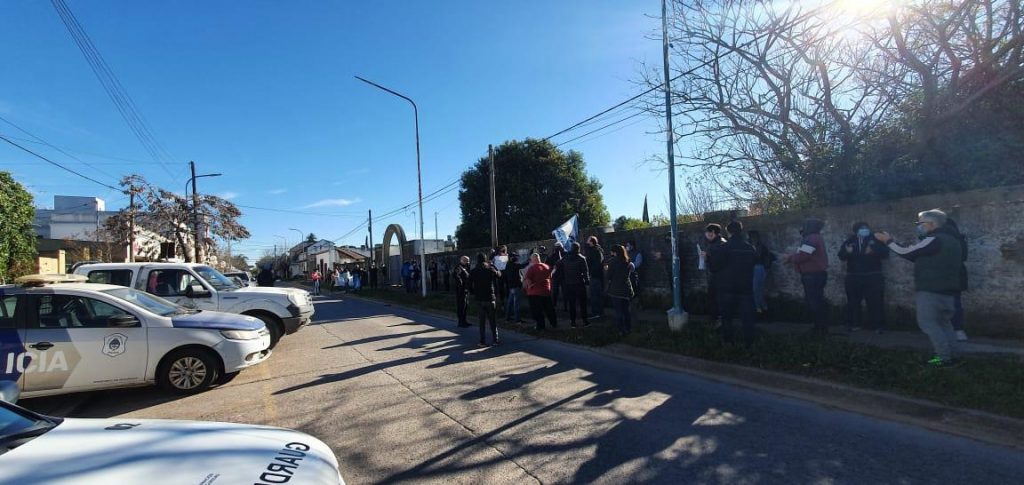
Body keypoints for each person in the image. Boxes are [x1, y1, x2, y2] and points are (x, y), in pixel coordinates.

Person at [875, 209, 963, 366]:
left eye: (920, 223)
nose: (918, 226)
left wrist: (888, 241)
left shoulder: (933, 239)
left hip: (931, 289)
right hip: (949, 289)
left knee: (928, 323)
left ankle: (942, 358)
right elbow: (923, 258)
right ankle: (954, 355)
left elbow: (906, 252)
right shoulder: (954, 240)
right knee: (944, 323)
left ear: (932, 224)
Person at [708, 221, 758, 345]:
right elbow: (755, 263)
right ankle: (749, 343)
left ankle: (728, 342)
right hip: (745, 287)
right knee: (747, 318)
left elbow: (713, 268)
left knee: (726, 317)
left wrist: (708, 259)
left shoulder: (723, 248)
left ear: (728, 232)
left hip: (726, 288)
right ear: (741, 231)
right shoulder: (750, 248)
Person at [837, 221, 890, 333]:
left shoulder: (875, 239)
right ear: (856, 231)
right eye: (862, 228)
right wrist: (848, 253)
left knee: (876, 302)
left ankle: (878, 326)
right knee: (853, 302)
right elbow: (841, 256)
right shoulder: (850, 241)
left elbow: (886, 253)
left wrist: (874, 251)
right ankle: (855, 324)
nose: (865, 230)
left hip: (873, 276)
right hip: (853, 276)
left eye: (866, 227)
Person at [785, 218, 829, 337]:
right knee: (816, 301)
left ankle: (820, 329)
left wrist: (790, 258)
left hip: (813, 276)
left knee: (814, 302)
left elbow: (803, 256)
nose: (802, 228)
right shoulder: (814, 237)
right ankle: (820, 327)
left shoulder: (811, 238)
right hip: (815, 275)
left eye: (804, 226)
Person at [555, 242, 590, 327]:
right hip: (579, 283)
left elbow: (558, 265)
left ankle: (573, 322)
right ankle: (585, 321)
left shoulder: (565, 258)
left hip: (568, 284)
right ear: (578, 248)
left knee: (572, 304)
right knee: (582, 303)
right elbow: (585, 272)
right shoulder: (582, 258)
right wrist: (587, 281)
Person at [469, 253, 501, 346]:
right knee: (492, 321)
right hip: (490, 297)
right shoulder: (489, 269)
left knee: (481, 322)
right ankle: (495, 340)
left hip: (479, 298)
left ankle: (482, 341)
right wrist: (493, 266)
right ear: (485, 259)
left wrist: (473, 292)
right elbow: (499, 275)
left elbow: (469, 284)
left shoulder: (473, 271)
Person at [604, 244, 635, 336]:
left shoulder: (612, 262)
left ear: (614, 252)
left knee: (618, 312)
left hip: (616, 290)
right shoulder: (627, 261)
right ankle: (628, 329)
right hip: (626, 289)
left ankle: (621, 330)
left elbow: (608, 277)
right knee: (626, 311)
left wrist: (607, 270)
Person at [700, 224, 727, 325]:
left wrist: (707, 257)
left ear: (712, 232)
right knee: (714, 298)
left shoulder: (720, 243)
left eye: (707, 232)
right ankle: (716, 319)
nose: (706, 234)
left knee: (717, 298)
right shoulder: (716, 242)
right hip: (716, 275)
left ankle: (718, 320)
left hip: (719, 276)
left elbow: (720, 261)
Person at [947, 219, 969, 341]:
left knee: (951, 302)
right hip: (958, 273)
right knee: (955, 302)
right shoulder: (960, 239)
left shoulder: (945, 240)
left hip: (949, 274)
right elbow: (964, 256)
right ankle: (958, 330)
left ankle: (955, 329)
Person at [523, 253, 557, 330]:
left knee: (537, 310)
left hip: (535, 293)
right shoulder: (546, 266)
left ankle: (540, 326)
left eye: (531, 259)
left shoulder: (532, 268)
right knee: (549, 309)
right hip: (546, 291)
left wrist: (529, 286)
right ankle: (554, 323)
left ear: (533, 259)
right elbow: (550, 276)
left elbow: (528, 279)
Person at [748, 230, 776, 314]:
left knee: (756, 289)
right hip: (760, 268)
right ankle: (762, 306)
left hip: (757, 268)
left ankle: (758, 308)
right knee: (758, 289)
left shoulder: (755, 247)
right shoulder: (761, 247)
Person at [584, 236, 605, 319]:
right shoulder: (595, 250)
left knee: (595, 295)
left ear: (592, 241)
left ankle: (597, 313)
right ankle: (598, 313)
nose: (587, 241)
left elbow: (597, 264)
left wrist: (591, 273)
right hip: (595, 276)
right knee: (595, 295)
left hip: (596, 276)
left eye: (588, 240)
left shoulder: (596, 251)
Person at [504, 253, 524, 323]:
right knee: (516, 304)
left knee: (510, 303)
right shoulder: (513, 265)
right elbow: (522, 265)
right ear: (511, 257)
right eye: (515, 257)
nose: (516, 258)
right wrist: (530, 260)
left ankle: (508, 318)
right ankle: (517, 319)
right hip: (516, 287)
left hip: (511, 287)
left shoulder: (508, 265)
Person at [547, 243, 567, 312]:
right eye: (557, 247)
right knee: (555, 292)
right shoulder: (552, 256)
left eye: (559, 247)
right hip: (556, 276)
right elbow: (548, 265)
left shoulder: (565, 254)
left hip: (563, 276)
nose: (558, 249)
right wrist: (553, 267)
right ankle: (554, 305)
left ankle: (565, 307)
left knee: (564, 292)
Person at [453, 256, 471, 327]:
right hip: (461, 290)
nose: (468, 262)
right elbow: (455, 275)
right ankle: (460, 322)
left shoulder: (466, 267)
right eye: (466, 261)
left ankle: (464, 320)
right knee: (461, 306)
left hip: (466, 290)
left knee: (465, 306)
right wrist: (460, 283)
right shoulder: (459, 267)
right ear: (462, 261)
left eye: (468, 261)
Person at [626, 241, 643, 310]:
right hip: (627, 276)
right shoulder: (626, 253)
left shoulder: (637, 254)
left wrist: (629, 265)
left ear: (632, 246)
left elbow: (637, 264)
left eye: (628, 245)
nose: (627, 247)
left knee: (635, 290)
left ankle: (637, 305)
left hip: (634, 275)